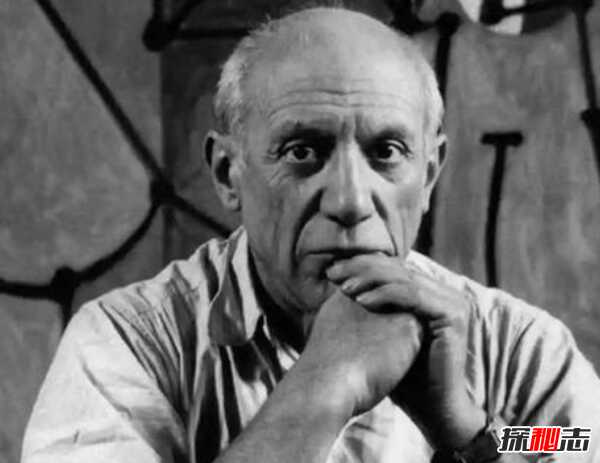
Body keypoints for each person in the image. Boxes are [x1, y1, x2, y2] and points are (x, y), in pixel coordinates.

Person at [22, 6, 600, 463]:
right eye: (303, 151)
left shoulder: (521, 346)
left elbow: (572, 443)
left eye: (386, 152)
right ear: (227, 173)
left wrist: (468, 430)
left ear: (428, 176)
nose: (350, 200)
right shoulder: (128, 344)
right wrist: (325, 385)